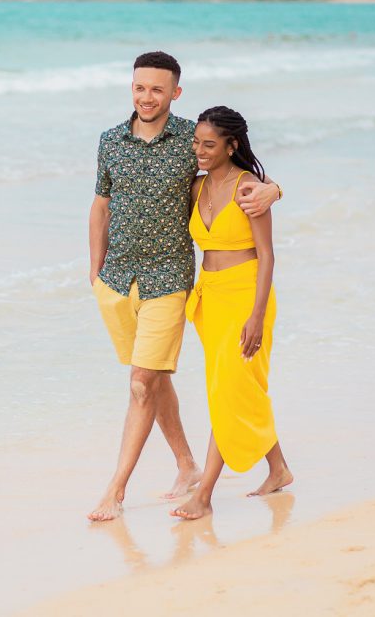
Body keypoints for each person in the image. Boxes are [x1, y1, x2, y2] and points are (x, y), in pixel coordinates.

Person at [87, 54, 282, 522]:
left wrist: (274, 188)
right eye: (139, 88)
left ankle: (124, 490)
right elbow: (100, 203)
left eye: (157, 89)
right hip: (129, 281)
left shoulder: (191, 139)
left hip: (175, 280)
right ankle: (202, 464)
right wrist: (94, 272)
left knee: (147, 383)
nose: (146, 97)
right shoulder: (111, 141)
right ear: (130, 88)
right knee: (165, 379)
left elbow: (242, 170)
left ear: (175, 93)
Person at [171, 106, 294, 522]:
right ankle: (278, 468)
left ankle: (203, 495)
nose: (200, 151)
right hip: (209, 300)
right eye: (196, 143)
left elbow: (267, 256)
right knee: (236, 390)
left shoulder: (250, 189)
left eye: (209, 144)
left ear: (232, 145)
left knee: (228, 392)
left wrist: (257, 316)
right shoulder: (196, 187)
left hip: (246, 296)